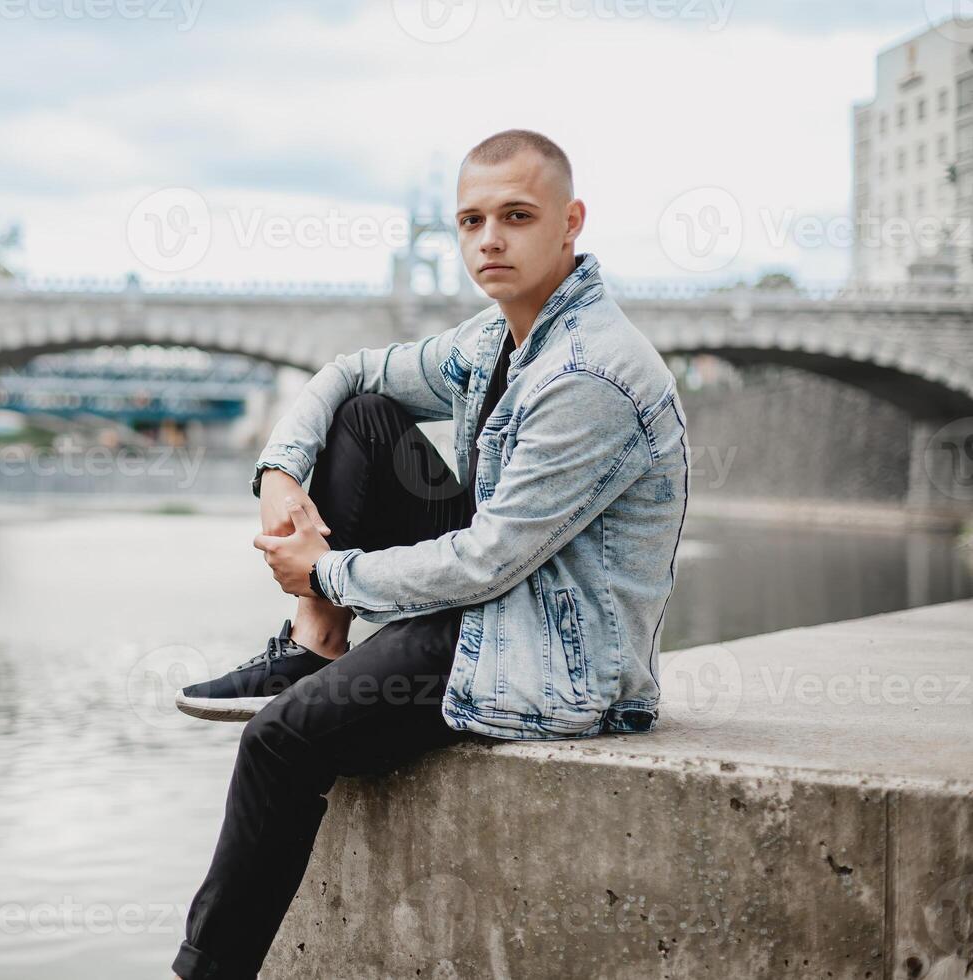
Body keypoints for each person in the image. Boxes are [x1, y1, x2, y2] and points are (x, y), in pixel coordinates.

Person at [170, 129, 689, 980]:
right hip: (495, 601)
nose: (489, 239)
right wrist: (275, 472)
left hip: (552, 657)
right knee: (366, 414)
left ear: (571, 222)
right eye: (472, 219)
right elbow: (346, 371)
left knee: (278, 744)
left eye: (517, 216)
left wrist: (326, 570)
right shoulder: (494, 342)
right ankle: (314, 646)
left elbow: (487, 562)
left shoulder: (592, 374)